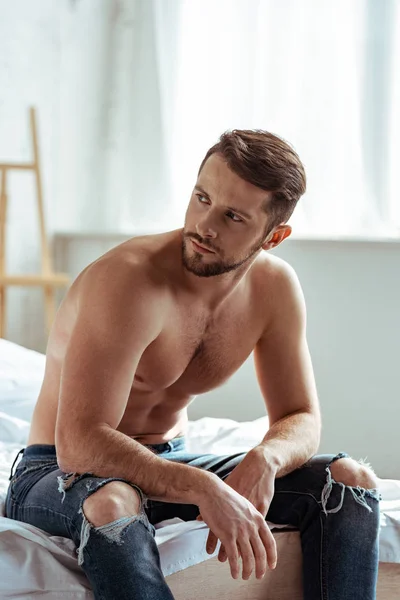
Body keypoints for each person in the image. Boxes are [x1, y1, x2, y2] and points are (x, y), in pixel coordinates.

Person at [6, 130, 381, 599]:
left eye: (233, 217)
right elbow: (79, 443)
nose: (205, 225)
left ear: (274, 236)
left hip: (171, 460)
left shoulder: (275, 291)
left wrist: (267, 457)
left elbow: (301, 416)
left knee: (349, 483)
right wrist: (203, 488)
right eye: (201, 198)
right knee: (114, 503)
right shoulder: (127, 281)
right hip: (59, 472)